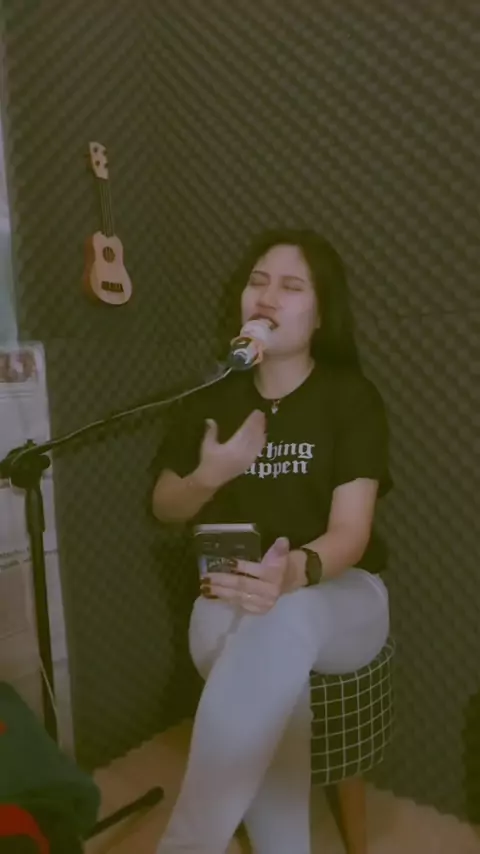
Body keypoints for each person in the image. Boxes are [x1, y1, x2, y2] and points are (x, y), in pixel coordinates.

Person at [150, 229, 392, 854]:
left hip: (340, 595)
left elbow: (351, 533)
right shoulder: (214, 398)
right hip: (236, 592)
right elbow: (165, 504)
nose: (266, 297)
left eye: (290, 286)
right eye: (257, 281)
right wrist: (209, 476)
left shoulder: (349, 397)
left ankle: (187, 844)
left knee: (283, 616)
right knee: (251, 661)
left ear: (321, 314)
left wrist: (293, 573)